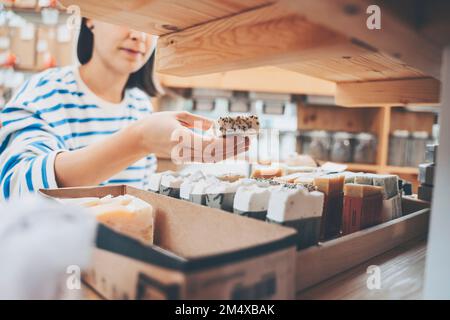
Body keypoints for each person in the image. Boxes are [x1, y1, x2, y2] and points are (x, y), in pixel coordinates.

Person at [0, 19, 248, 200]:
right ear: (89, 16)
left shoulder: (139, 104)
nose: (139, 35)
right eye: (126, 16)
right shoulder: (46, 91)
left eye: (151, 24)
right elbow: (15, 189)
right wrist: (139, 139)